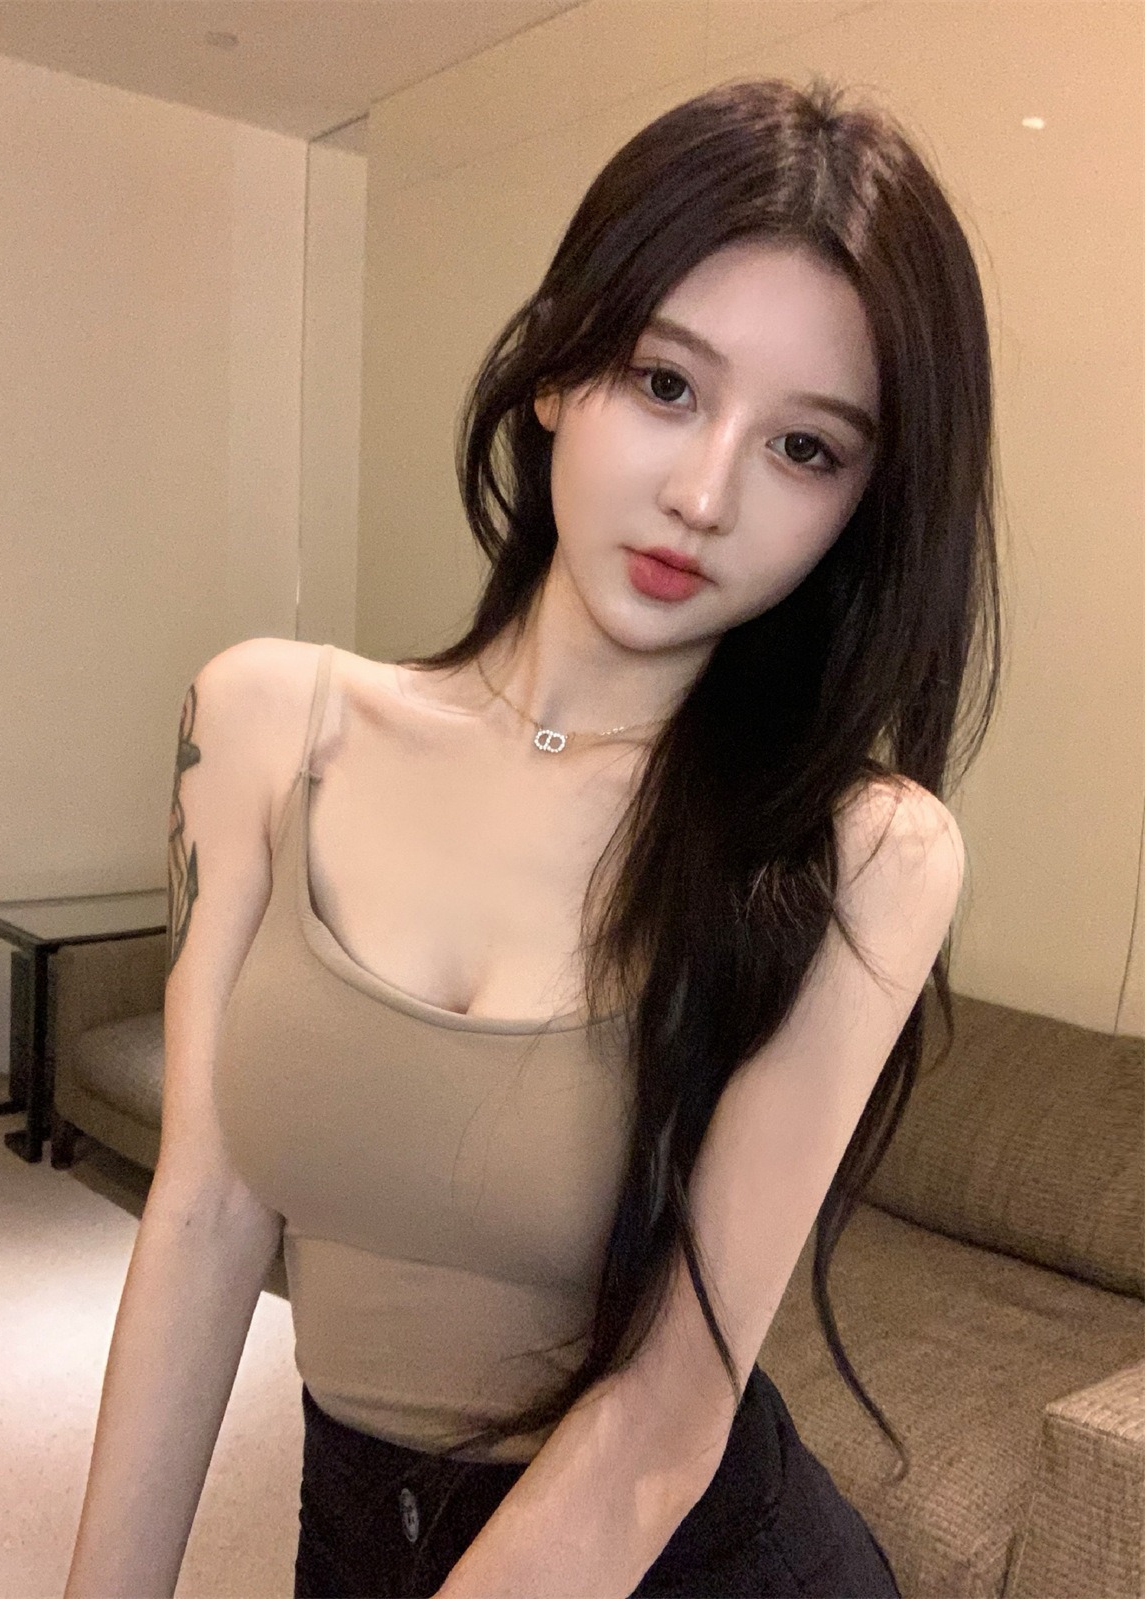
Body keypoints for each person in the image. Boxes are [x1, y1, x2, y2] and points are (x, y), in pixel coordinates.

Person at [64, 74, 999, 1599]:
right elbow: (207, 1214)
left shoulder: (864, 851)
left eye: (806, 449)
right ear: (561, 365)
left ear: (865, 508)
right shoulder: (264, 723)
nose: (704, 493)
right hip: (354, 1532)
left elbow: (659, 1425)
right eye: (666, 383)